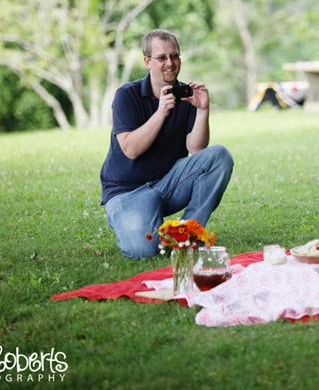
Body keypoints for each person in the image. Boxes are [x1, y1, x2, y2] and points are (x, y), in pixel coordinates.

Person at [100, 29, 234, 258]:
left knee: (220, 156)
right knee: (143, 250)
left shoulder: (185, 96)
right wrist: (161, 112)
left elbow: (197, 150)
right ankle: (140, 221)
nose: (170, 63)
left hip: (168, 184)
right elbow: (131, 149)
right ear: (147, 61)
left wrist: (202, 111)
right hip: (128, 193)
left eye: (175, 56)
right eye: (162, 57)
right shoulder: (127, 95)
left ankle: (187, 233)